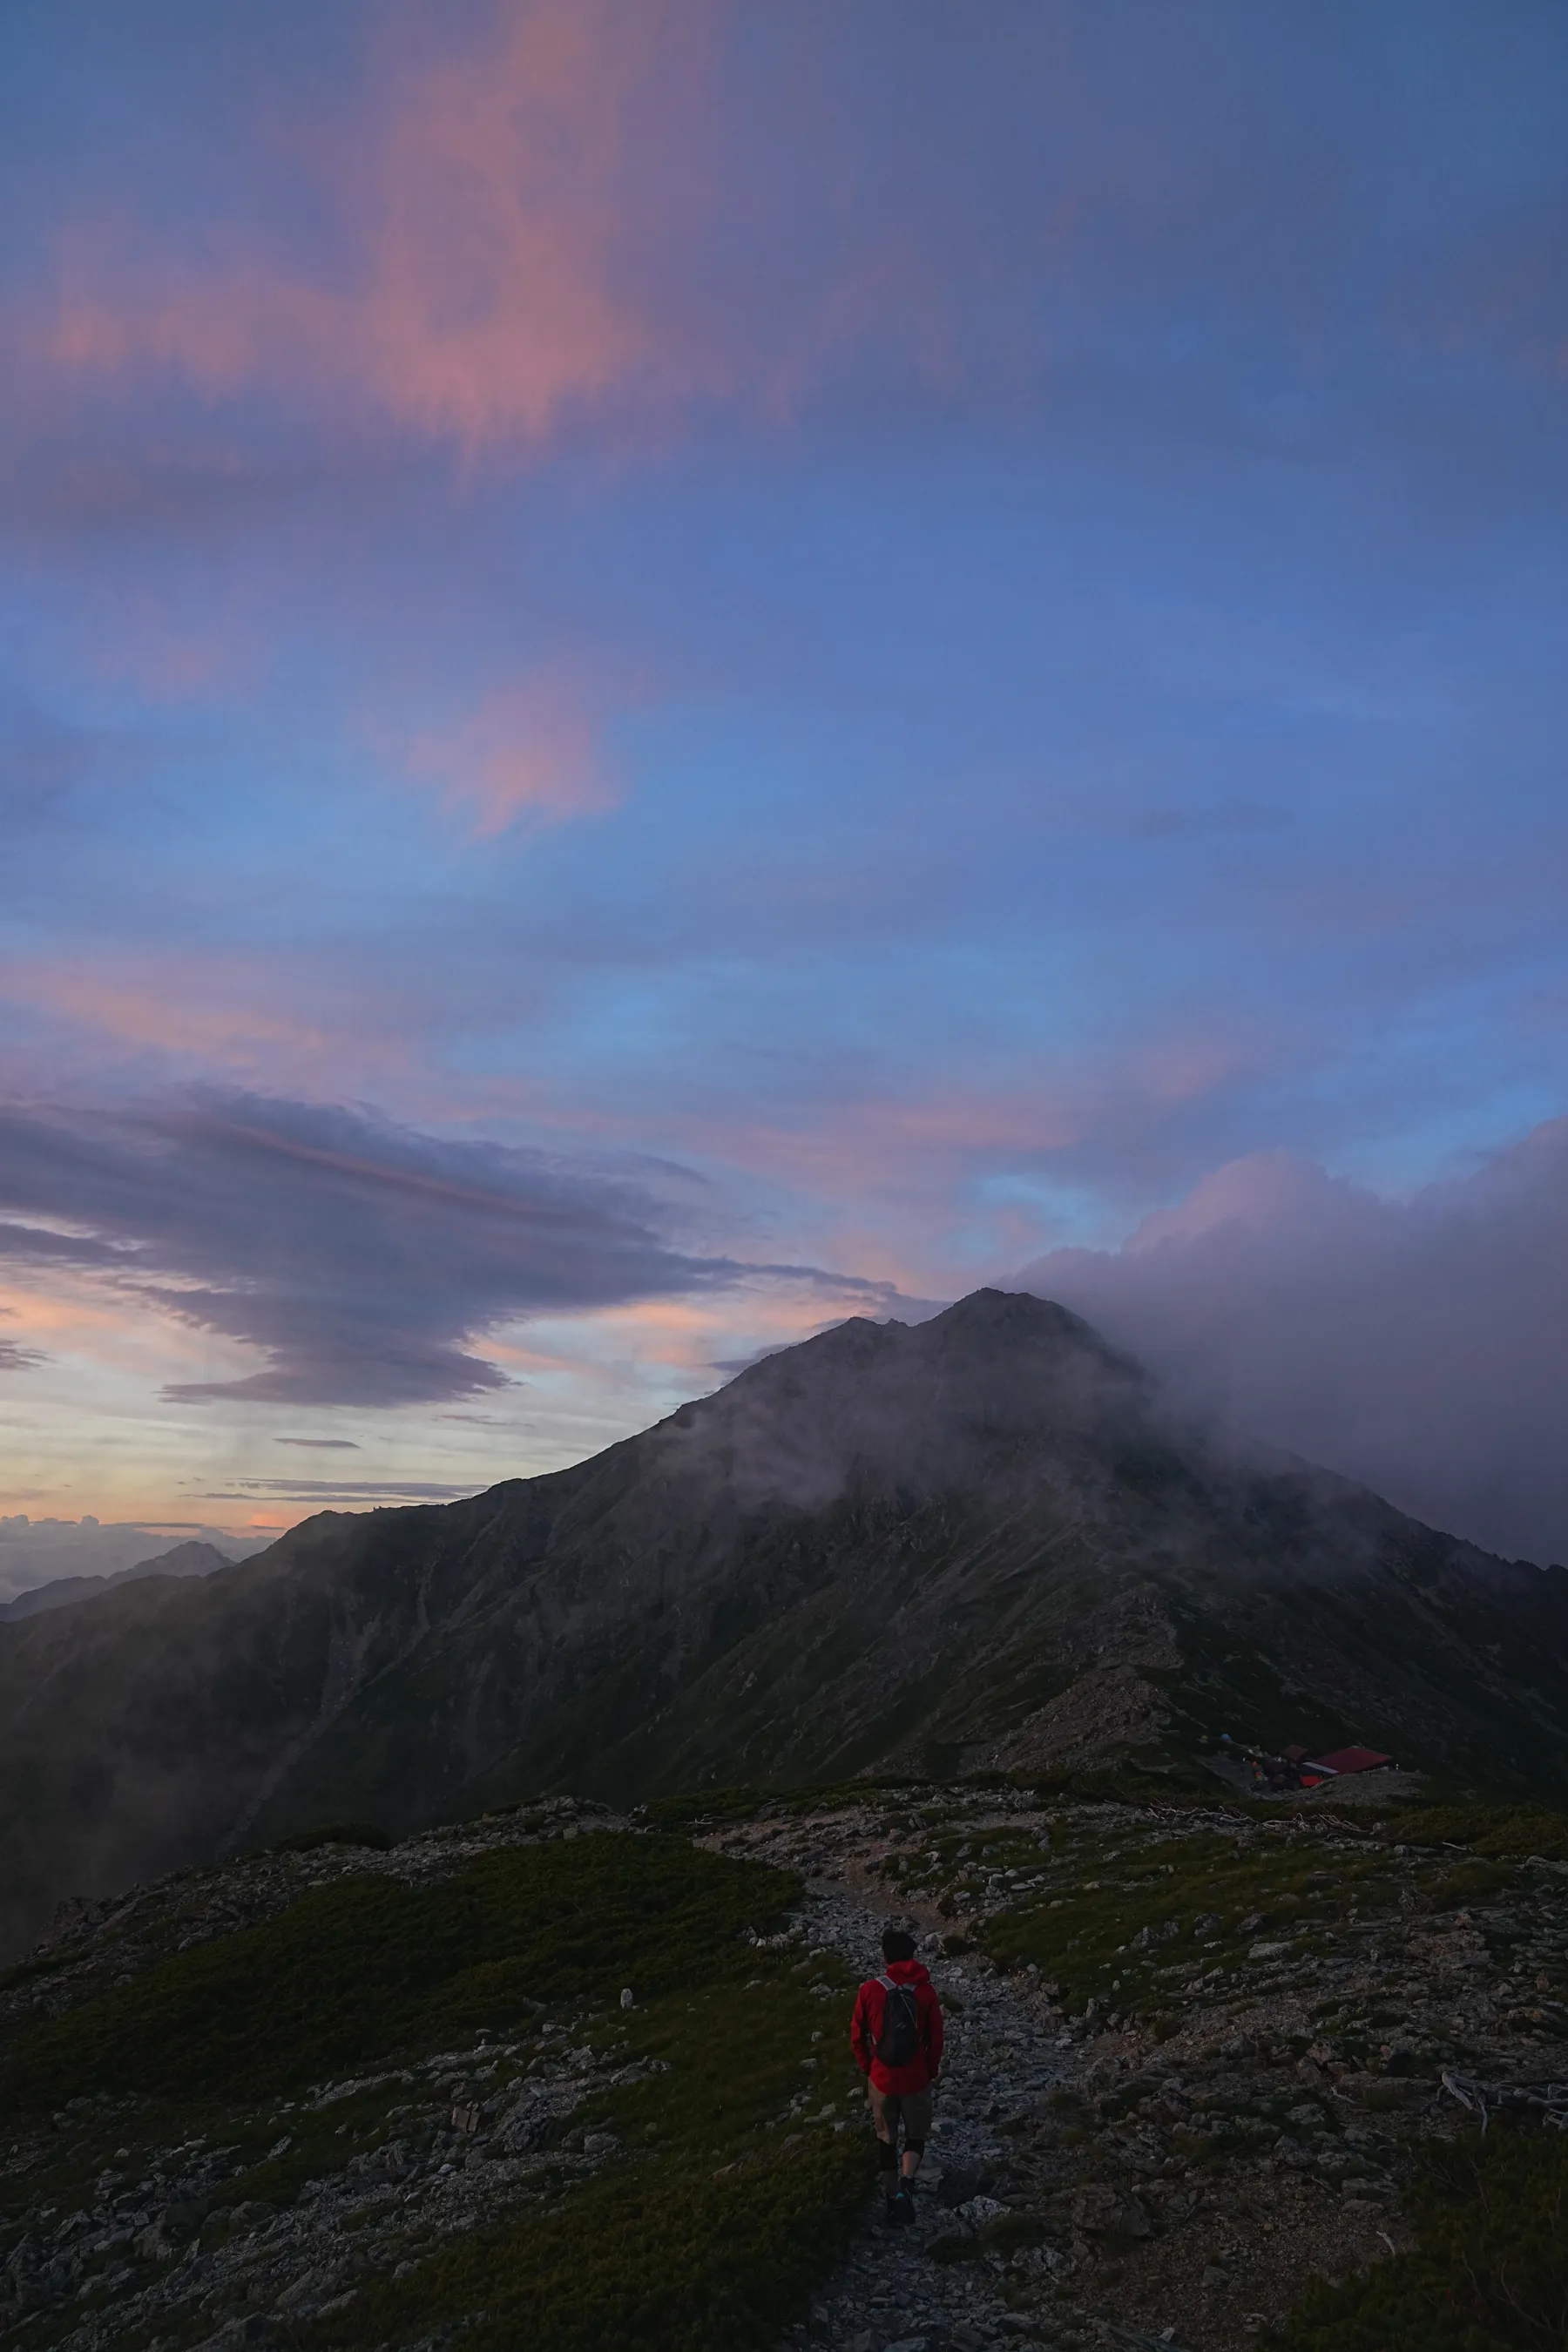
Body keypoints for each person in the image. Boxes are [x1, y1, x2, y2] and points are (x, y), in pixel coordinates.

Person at [849, 1925, 945, 2226]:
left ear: (884, 1957)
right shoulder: (926, 1991)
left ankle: (892, 2201)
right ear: (913, 1955)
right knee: (915, 2136)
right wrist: (929, 2070)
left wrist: (869, 2067)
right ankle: (908, 2181)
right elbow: (936, 2039)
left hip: (882, 2077)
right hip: (915, 2077)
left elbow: (856, 2036)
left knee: (886, 2139)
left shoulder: (869, 1990)